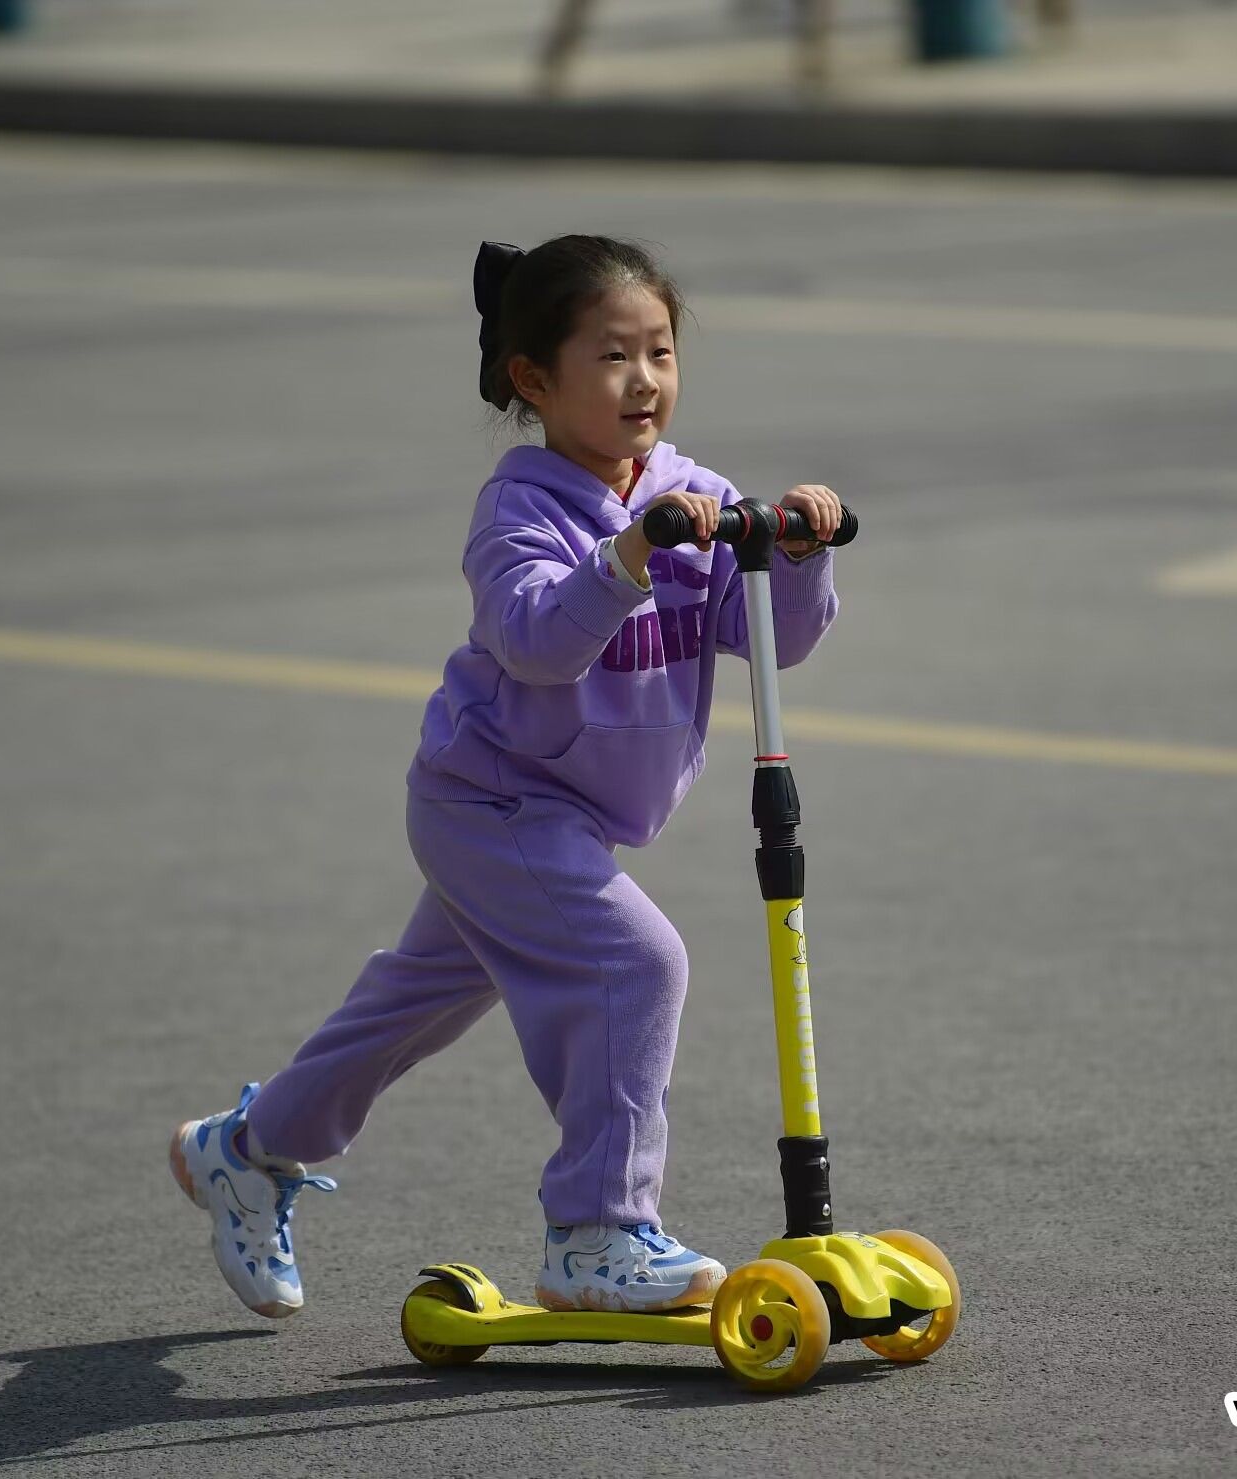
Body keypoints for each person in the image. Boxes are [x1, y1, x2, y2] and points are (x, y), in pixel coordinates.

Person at [170, 235, 844, 1319]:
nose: (644, 380)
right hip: (491, 803)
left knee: (410, 1006)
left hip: (569, 813)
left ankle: (245, 1149)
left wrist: (797, 557)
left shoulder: (692, 491)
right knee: (637, 966)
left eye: (661, 352)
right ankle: (596, 1232)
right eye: (612, 356)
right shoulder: (519, 512)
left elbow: (768, 634)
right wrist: (626, 562)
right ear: (533, 379)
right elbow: (534, 641)